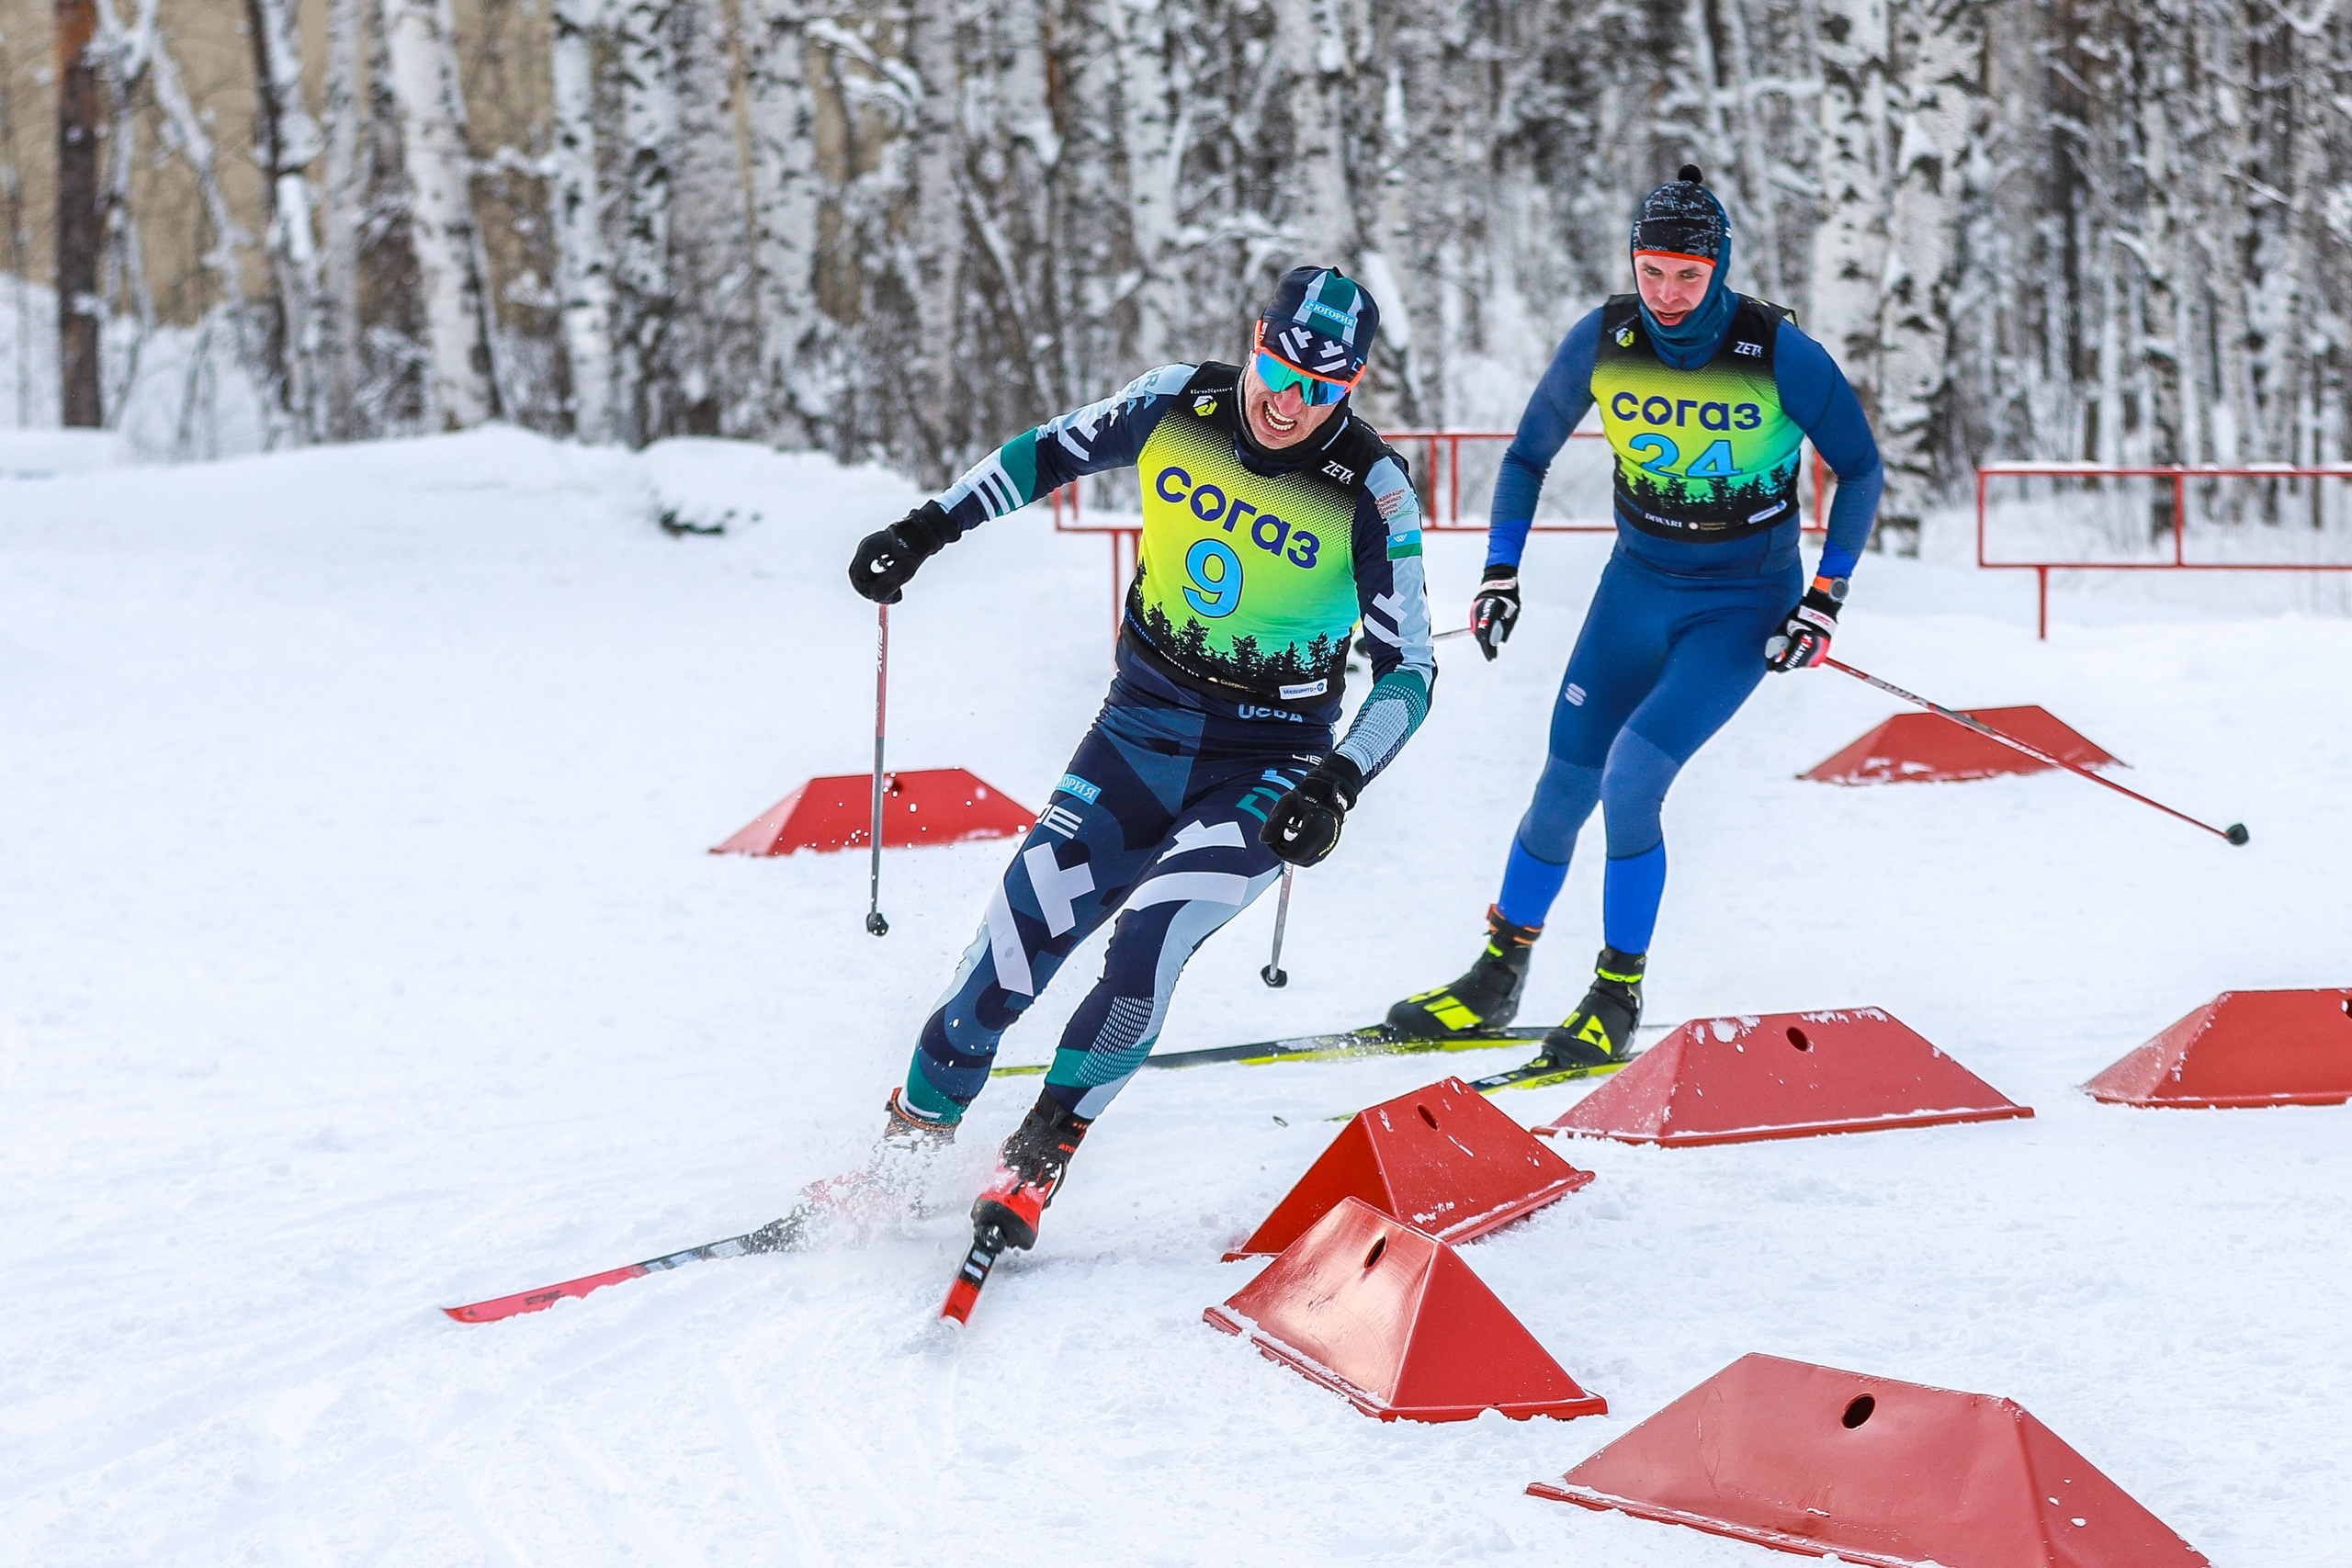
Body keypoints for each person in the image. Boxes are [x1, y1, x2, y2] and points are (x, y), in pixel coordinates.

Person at [810, 266, 1436, 1262]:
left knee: (1152, 938)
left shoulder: (1372, 490)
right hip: (1137, 732)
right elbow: (1040, 455)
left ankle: (1038, 1154)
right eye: (1277, 369)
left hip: (1268, 766)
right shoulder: (1175, 402)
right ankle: (904, 1154)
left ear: (1352, 385)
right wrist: (926, 529)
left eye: (1320, 390)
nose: (1287, 403)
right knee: (1012, 950)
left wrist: (1338, 781)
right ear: (1257, 337)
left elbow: (1411, 672)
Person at [1385, 165, 1882, 1070]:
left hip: (1740, 603)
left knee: (1632, 776)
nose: (1667, 295)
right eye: (1651, 271)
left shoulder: (1773, 351)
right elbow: (1528, 455)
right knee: (1562, 782)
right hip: (1635, 587)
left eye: (1688, 276)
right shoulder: (1606, 337)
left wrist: (1825, 597)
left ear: (1719, 268)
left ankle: (1616, 990)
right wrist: (1500, 573)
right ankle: (1495, 978)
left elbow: (1860, 467)